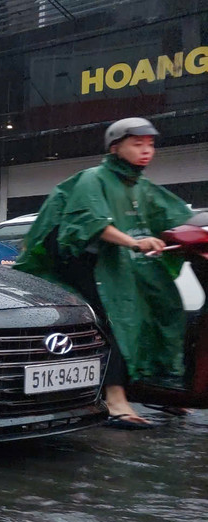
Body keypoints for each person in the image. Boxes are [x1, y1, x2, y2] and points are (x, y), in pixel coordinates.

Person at [14, 116, 193, 429]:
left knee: (165, 305)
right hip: (76, 266)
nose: (146, 151)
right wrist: (134, 242)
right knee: (116, 318)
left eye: (150, 145)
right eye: (137, 144)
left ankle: (158, 388)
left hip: (118, 266)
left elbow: (177, 217)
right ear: (115, 147)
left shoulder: (141, 187)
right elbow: (91, 223)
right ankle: (114, 398)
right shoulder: (93, 178)